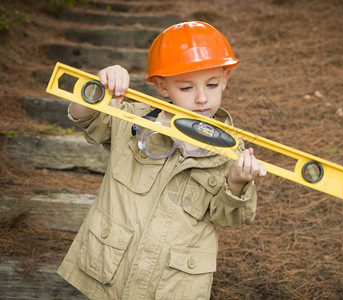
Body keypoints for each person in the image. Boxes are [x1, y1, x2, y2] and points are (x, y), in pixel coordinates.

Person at [57, 21, 266, 299]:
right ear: (162, 86)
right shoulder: (134, 121)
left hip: (171, 285)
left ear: (225, 79)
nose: (202, 98)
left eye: (212, 84)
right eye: (186, 88)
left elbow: (231, 217)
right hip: (108, 272)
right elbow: (86, 115)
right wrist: (100, 84)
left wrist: (237, 182)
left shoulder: (231, 152)